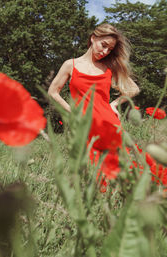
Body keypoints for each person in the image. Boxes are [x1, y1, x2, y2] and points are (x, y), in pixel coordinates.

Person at [48, 23, 139, 164]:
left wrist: (114, 104)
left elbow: (134, 89)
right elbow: (53, 92)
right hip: (83, 126)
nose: (105, 52)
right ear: (93, 38)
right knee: (89, 173)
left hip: (108, 124)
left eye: (109, 49)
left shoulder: (109, 67)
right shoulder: (70, 65)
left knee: (117, 171)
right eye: (103, 45)